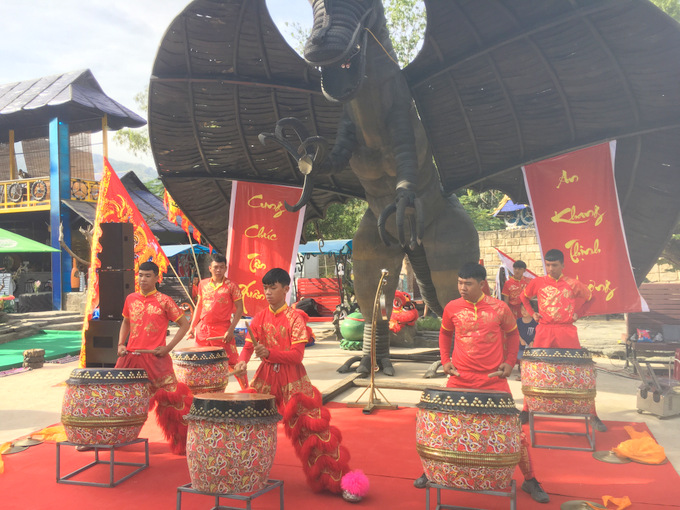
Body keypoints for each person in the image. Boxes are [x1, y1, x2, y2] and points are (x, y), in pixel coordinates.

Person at [413, 262, 550, 504]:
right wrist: (445, 360)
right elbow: (445, 334)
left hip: (493, 379)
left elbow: (512, 334)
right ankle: (431, 470)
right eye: (459, 282)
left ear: (482, 284)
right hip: (459, 378)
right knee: (447, 428)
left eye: (468, 283)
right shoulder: (452, 308)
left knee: (512, 432)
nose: (462, 288)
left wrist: (509, 362)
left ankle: (530, 479)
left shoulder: (500, 308)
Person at [234, 268, 368, 502]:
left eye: (273, 287)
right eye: (265, 288)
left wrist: (270, 353)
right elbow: (248, 346)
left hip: (293, 381)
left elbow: (296, 356)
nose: (267, 292)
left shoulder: (296, 318)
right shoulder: (259, 318)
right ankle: (242, 473)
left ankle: (338, 481)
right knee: (245, 423)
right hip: (265, 379)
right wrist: (242, 363)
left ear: (286, 289)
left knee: (315, 433)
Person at [519, 248, 606, 431]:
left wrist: (578, 314)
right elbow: (524, 297)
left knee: (579, 370)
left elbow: (591, 298)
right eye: (548, 265)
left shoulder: (573, 284)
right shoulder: (537, 282)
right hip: (544, 330)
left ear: (563, 265)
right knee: (537, 368)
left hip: (566, 330)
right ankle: (527, 409)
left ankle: (592, 413)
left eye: (555, 265)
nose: (551, 268)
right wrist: (532, 313)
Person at [115, 261, 192, 454]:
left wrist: (168, 347)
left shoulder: (164, 300)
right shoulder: (130, 299)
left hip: (157, 360)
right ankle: (109, 438)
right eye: (140, 275)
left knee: (175, 402)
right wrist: (121, 344)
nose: (143, 279)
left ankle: (184, 443)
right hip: (131, 359)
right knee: (117, 398)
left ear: (157, 278)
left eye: (147, 275)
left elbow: (184, 324)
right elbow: (126, 322)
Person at [189, 253, 247, 388]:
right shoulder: (203, 284)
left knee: (233, 363)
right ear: (210, 268)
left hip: (223, 329)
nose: (218, 270)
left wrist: (231, 329)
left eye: (221, 267)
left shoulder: (232, 286)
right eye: (216, 267)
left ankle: (247, 391)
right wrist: (192, 327)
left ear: (225, 268)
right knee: (200, 363)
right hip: (203, 329)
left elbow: (240, 309)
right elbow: (199, 305)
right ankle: (204, 393)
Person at [516, 304, 538, 379]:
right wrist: (521, 340)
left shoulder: (535, 322)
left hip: (530, 346)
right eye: (522, 310)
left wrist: (533, 341)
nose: (524, 312)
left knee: (529, 360)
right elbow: (516, 332)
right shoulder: (518, 321)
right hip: (521, 345)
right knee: (521, 358)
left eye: (526, 309)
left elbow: (537, 332)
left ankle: (528, 374)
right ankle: (522, 375)